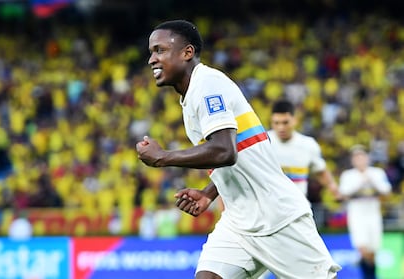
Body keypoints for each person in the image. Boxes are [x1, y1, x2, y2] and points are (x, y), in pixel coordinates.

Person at [136, 19, 341, 279]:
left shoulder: (208, 85)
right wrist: (210, 193)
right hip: (239, 222)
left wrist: (163, 157)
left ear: (187, 53)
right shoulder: (190, 96)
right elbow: (241, 153)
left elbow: (225, 151)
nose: (152, 59)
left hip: (278, 217)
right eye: (151, 52)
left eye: (160, 50)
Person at [268, 99, 340, 199]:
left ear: (295, 120)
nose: (281, 127)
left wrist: (333, 189)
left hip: (298, 206)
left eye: (285, 123)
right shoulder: (264, 143)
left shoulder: (308, 145)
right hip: (271, 204)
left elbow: (320, 171)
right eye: (276, 123)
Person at [338, 145, 392, 279]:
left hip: (373, 214)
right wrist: (360, 182)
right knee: (362, 248)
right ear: (352, 160)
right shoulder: (348, 175)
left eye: (362, 156)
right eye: (356, 157)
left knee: (373, 251)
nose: (360, 160)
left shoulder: (377, 173)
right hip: (357, 215)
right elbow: (343, 193)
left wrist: (371, 180)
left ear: (367, 158)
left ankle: (371, 274)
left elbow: (386, 191)